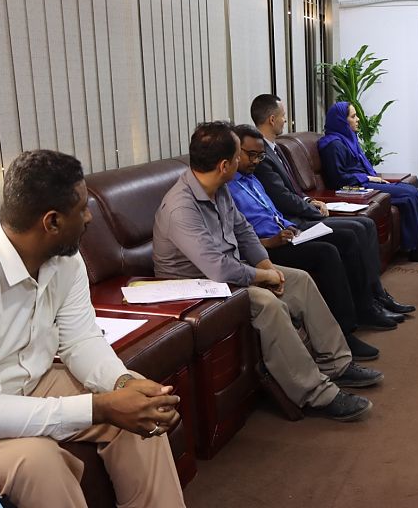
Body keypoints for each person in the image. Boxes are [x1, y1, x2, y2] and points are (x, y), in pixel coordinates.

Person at [0, 150, 185, 507]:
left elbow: (81, 339)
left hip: (33, 384)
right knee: (39, 462)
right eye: (82, 209)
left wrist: (121, 384)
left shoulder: (65, 260)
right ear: (52, 222)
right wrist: (99, 407)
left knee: (139, 408)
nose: (88, 217)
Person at [152, 121, 383, 421]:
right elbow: (217, 268)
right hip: (196, 287)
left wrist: (267, 266)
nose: (243, 161)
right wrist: (262, 277)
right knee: (267, 304)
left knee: (299, 280)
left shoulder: (218, 189)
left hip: (227, 276)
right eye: (238, 155)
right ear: (224, 165)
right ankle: (316, 394)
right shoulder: (180, 208)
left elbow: (243, 231)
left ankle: (337, 364)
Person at [228, 124, 398, 360]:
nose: (256, 161)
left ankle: (366, 306)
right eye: (251, 155)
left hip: (288, 232)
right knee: (326, 253)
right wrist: (270, 241)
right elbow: (240, 235)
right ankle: (345, 331)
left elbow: (272, 211)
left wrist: (288, 226)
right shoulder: (228, 187)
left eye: (260, 156)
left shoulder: (252, 179)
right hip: (269, 246)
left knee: (349, 236)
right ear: (235, 152)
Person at [250, 94, 418, 313]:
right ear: (272, 119)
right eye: (283, 115)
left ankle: (377, 295)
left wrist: (310, 200)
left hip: (301, 211)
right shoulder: (262, 156)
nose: (286, 120)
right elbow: (282, 198)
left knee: (366, 224)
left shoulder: (276, 149)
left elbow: (293, 191)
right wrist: (313, 209)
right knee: (355, 230)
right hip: (292, 222)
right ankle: (368, 305)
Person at [318, 101, 418, 263]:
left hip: (363, 183)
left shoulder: (347, 139)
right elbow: (337, 179)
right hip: (355, 187)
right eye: (353, 116)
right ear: (341, 121)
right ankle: (416, 249)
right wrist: (368, 178)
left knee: (414, 192)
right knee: (408, 196)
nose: (358, 119)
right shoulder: (332, 145)